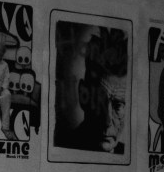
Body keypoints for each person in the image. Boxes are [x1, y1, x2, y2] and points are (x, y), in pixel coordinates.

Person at [54, 26, 129, 155]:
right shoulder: (62, 148)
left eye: (118, 106)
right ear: (82, 94)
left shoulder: (125, 152)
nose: (107, 122)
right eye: (99, 102)